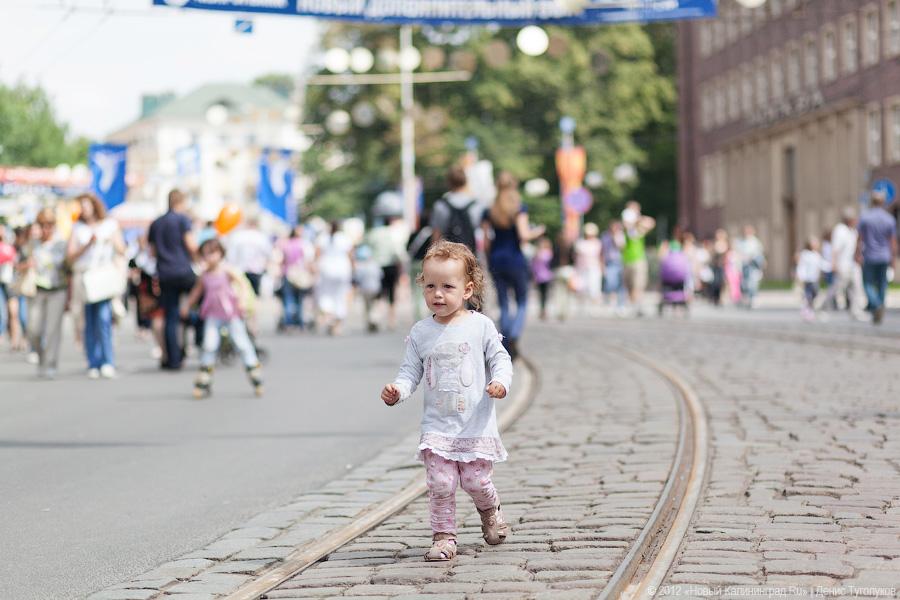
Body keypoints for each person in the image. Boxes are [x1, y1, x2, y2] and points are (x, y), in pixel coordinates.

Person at [380, 240, 513, 562]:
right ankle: (444, 536)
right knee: (441, 483)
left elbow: (501, 359)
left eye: (447, 287)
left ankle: (490, 510)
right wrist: (398, 390)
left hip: (475, 425)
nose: (437, 294)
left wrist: (500, 383)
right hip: (438, 427)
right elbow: (410, 371)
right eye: (430, 286)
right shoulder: (421, 331)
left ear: (467, 290)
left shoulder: (480, 326)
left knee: (476, 481)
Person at [182, 238, 263, 398]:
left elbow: (242, 284)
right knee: (209, 345)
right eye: (205, 255)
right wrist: (186, 306)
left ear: (220, 253)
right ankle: (204, 377)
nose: (209, 258)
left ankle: (254, 372)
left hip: (231, 313)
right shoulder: (204, 275)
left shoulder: (227, 270)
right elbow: (196, 292)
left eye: (212, 253)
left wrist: (243, 300)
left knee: (242, 343)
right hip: (213, 314)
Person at [481, 172, 544, 359]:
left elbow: (485, 241)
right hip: (515, 258)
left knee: (503, 303)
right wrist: (538, 232)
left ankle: (506, 340)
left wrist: (488, 258)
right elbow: (524, 235)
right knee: (523, 300)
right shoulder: (519, 208)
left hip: (496, 259)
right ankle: (515, 334)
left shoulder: (490, 210)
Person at [67, 193, 126, 379]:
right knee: (88, 321)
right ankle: (93, 361)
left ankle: (108, 360)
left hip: (103, 276)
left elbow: (122, 249)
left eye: (86, 206)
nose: (84, 210)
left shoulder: (109, 225)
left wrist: (110, 241)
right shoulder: (77, 228)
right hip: (85, 277)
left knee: (104, 319)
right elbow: (70, 256)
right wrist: (87, 246)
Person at [148, 189, 198, 370]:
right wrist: (198, 259)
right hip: (183, 272)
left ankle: (173, 358)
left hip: (164, 273)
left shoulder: (156, 223)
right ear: (181, 202)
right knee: (199, 302)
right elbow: (191, 245)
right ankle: (200, 335)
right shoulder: (183, 220)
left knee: (170, 316)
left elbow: (152, 252)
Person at [23, 209, 68, 378]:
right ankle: (42, 357)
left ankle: (50, 364)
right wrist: (26, 265)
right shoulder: (32, 244)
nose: (46, 229)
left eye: (49, 225)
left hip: (57, 289)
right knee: (32, 330)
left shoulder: (61, 244)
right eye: (43, 225)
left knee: (52, 331)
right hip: (37, 290)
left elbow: (68, 266)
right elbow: (18, 263)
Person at [856, 190, 897, 325]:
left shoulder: (865, 217)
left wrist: (857, 254)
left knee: (867, 283)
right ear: (883, 202)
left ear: (871, 201)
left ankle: (875, 305)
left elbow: (860, 238)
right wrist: (893, 258)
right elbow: (892, 241)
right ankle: (879, 306)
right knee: (882, 284)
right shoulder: (889, 219)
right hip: (884, 256)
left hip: (869, 255)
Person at [366, 215, 408, 330]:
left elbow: (368, 247)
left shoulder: (374, 233)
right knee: (391, 293)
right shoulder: (393, 233)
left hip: (376, 266)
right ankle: (391, 320)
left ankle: (374, 316)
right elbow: (398, 251)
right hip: (390, 266)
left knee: (378, 293)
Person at [431, 165, 482, 253]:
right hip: (469, 253)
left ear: (448, 182)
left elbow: (436, 236)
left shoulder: (440, 205)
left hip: (447, 256)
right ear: (466, 181)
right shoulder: (476, 205)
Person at [315, 221, 354, 335]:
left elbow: (317, 253)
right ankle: (337, 324)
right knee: (340, 296)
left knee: (326, 294)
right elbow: (351, 254)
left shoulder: (322, 238)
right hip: (342, 269)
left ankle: (329, 316)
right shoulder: (344, 238)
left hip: (326, 269)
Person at [822, 208, 860, 315]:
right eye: (854, 219)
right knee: (837, 287)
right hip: (842, 264)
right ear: (849, 219)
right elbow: (835, 249)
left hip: (852, 264)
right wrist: (834, 263)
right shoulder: (840, 230)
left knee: (856, 287)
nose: (856, 221)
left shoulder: (853, 231)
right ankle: (824, 305)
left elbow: (855, 247)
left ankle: (855, 310)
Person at [277, 225, 315, 331]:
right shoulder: (304, 244)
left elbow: (282, 260)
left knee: (288, 298)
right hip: (300, 274)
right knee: (300, 298)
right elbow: (308, 260)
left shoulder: (286, 244)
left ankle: (288, 322)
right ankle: (299, 321)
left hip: (288, 273)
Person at [621, 201, 656, 315]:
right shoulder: (626, 230)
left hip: (638, 261)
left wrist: (638, 218)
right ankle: (632, 306)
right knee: (629, 286)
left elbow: (651, 222)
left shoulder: (639, 229)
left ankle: (636, 306)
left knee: (638, 285)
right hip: (627, 260)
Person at [227, 216, 272, 296]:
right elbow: (268, 254)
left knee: (241, 294)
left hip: (240, 269)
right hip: (257, 270)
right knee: (254, 295)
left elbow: (231, 255)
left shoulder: (238, 236)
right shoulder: (261, 237)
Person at [735, 225, 765, 309]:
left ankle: (753, 298)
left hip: (753, 265)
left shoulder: (755, 242)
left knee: (753, 283)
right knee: (745, 283)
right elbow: (738, 253)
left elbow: (759, 254)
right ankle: (748, 298)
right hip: (745, 265)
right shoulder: (742, 242)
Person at [797, 236, 826, 322]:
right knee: (808, 295)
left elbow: (822, 264)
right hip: (808, 279)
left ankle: (809, 309)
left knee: (815, 294)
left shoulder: (816, 255)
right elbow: (801, 266)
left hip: (814, 279)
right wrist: (800, 276)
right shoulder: (805, 254)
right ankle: (807, 311)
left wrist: (831, 267)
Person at [574, 222, 603, 302]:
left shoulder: (597, 243)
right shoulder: (580, 243)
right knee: (582, 288)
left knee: (594, 288)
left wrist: (602, 267)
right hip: (582, 269)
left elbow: (600, 256)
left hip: (593, 267)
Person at [601, 221, 626, 311]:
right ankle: (608, 302)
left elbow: (621, 247)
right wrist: (602, 265)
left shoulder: (621, 235)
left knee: (621, 285)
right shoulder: (605, 236)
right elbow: (602, 251)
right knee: (610, 283)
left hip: (619, 262)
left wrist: (615, 237)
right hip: (609, 262)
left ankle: (621, 305)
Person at [531, 236, 554, 320]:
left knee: (542, 295)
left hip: (542, 277)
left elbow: (533, 266)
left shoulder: (538, 253)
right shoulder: (547, 253)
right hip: (545, 277)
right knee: (544, 295)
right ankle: (543, 310)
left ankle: (542, 310)